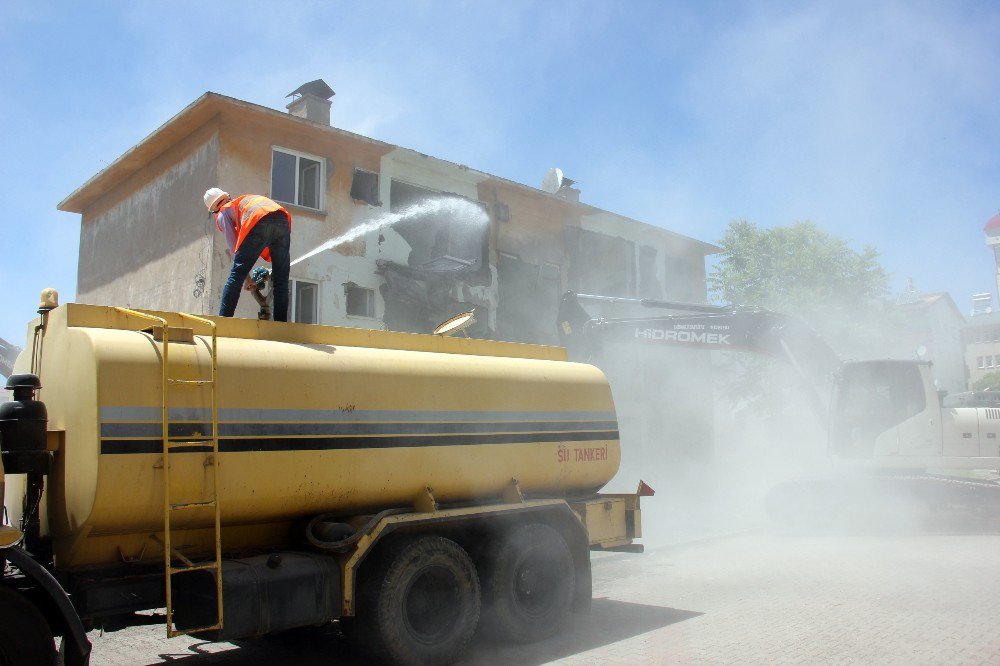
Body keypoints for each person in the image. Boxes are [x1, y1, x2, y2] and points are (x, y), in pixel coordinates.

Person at [204, 188, 292, 321]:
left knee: (236, 276)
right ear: (227, 196)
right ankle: (281, 327)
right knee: (281, 280)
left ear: (215, 209)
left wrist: (247, 279)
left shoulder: (222, 212)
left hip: (258, 219)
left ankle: (223, 321)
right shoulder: (242, 202)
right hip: (281, 218)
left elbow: (235, 248)